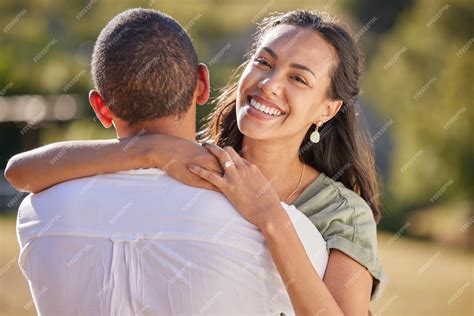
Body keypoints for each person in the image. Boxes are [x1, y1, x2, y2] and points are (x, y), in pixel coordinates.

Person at [6, 9, 388, 315]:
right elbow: (22, 172)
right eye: (264, 62)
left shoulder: (341, 213)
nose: (270, 84)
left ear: (328, 108)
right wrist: (153, 150)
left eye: (298, 79)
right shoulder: (188, 162)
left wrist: (270, 217)